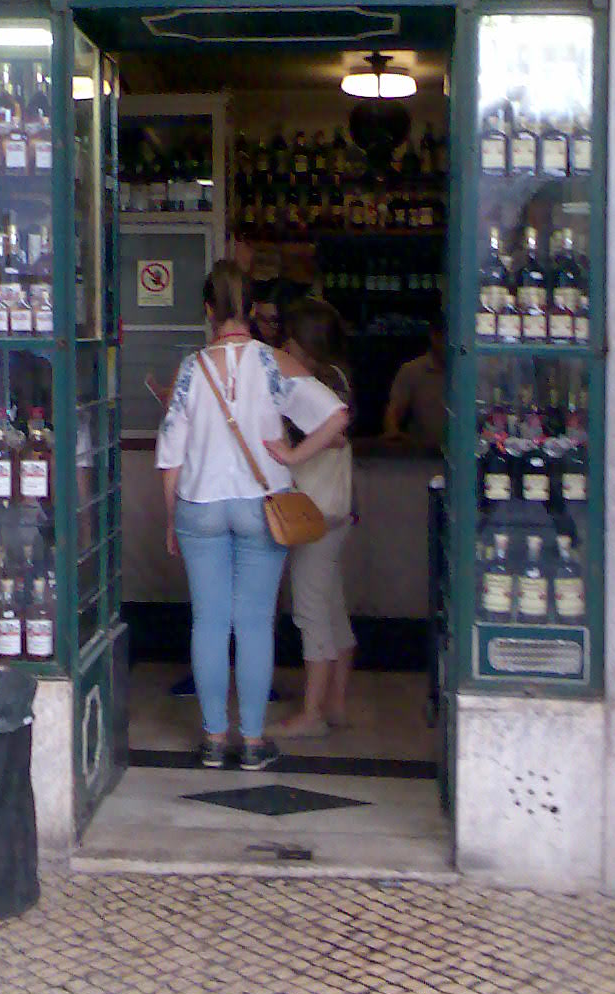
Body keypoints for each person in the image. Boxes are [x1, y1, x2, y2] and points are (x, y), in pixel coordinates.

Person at [156, 260, 349, 770]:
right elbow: (336, 415)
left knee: (209, 621)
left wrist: (171, 517)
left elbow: (171, 454)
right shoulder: (273, 363)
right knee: (255, 623)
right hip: (261, 507)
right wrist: (294, 455)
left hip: (199, 506)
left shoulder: (190, 370)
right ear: (252, 309)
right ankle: (254, 741)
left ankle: (214, 739)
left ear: (208, 310)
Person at [267, 299, 356, 737]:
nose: (284, 348)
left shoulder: (317, 387)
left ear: (305, 344)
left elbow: (330, 437)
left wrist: (287, 448)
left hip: (313, 514)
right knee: (332, 607)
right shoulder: (339, 378)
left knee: (310, 612)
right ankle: (335, 703)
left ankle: (312, 714)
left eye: (290, 340)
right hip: (335, 513)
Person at [383, 314, 447, 452]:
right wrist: (393, 432)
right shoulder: (412, 370)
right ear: (435, 337)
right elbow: (394, 412)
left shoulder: (470, 372)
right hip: (422, 455)